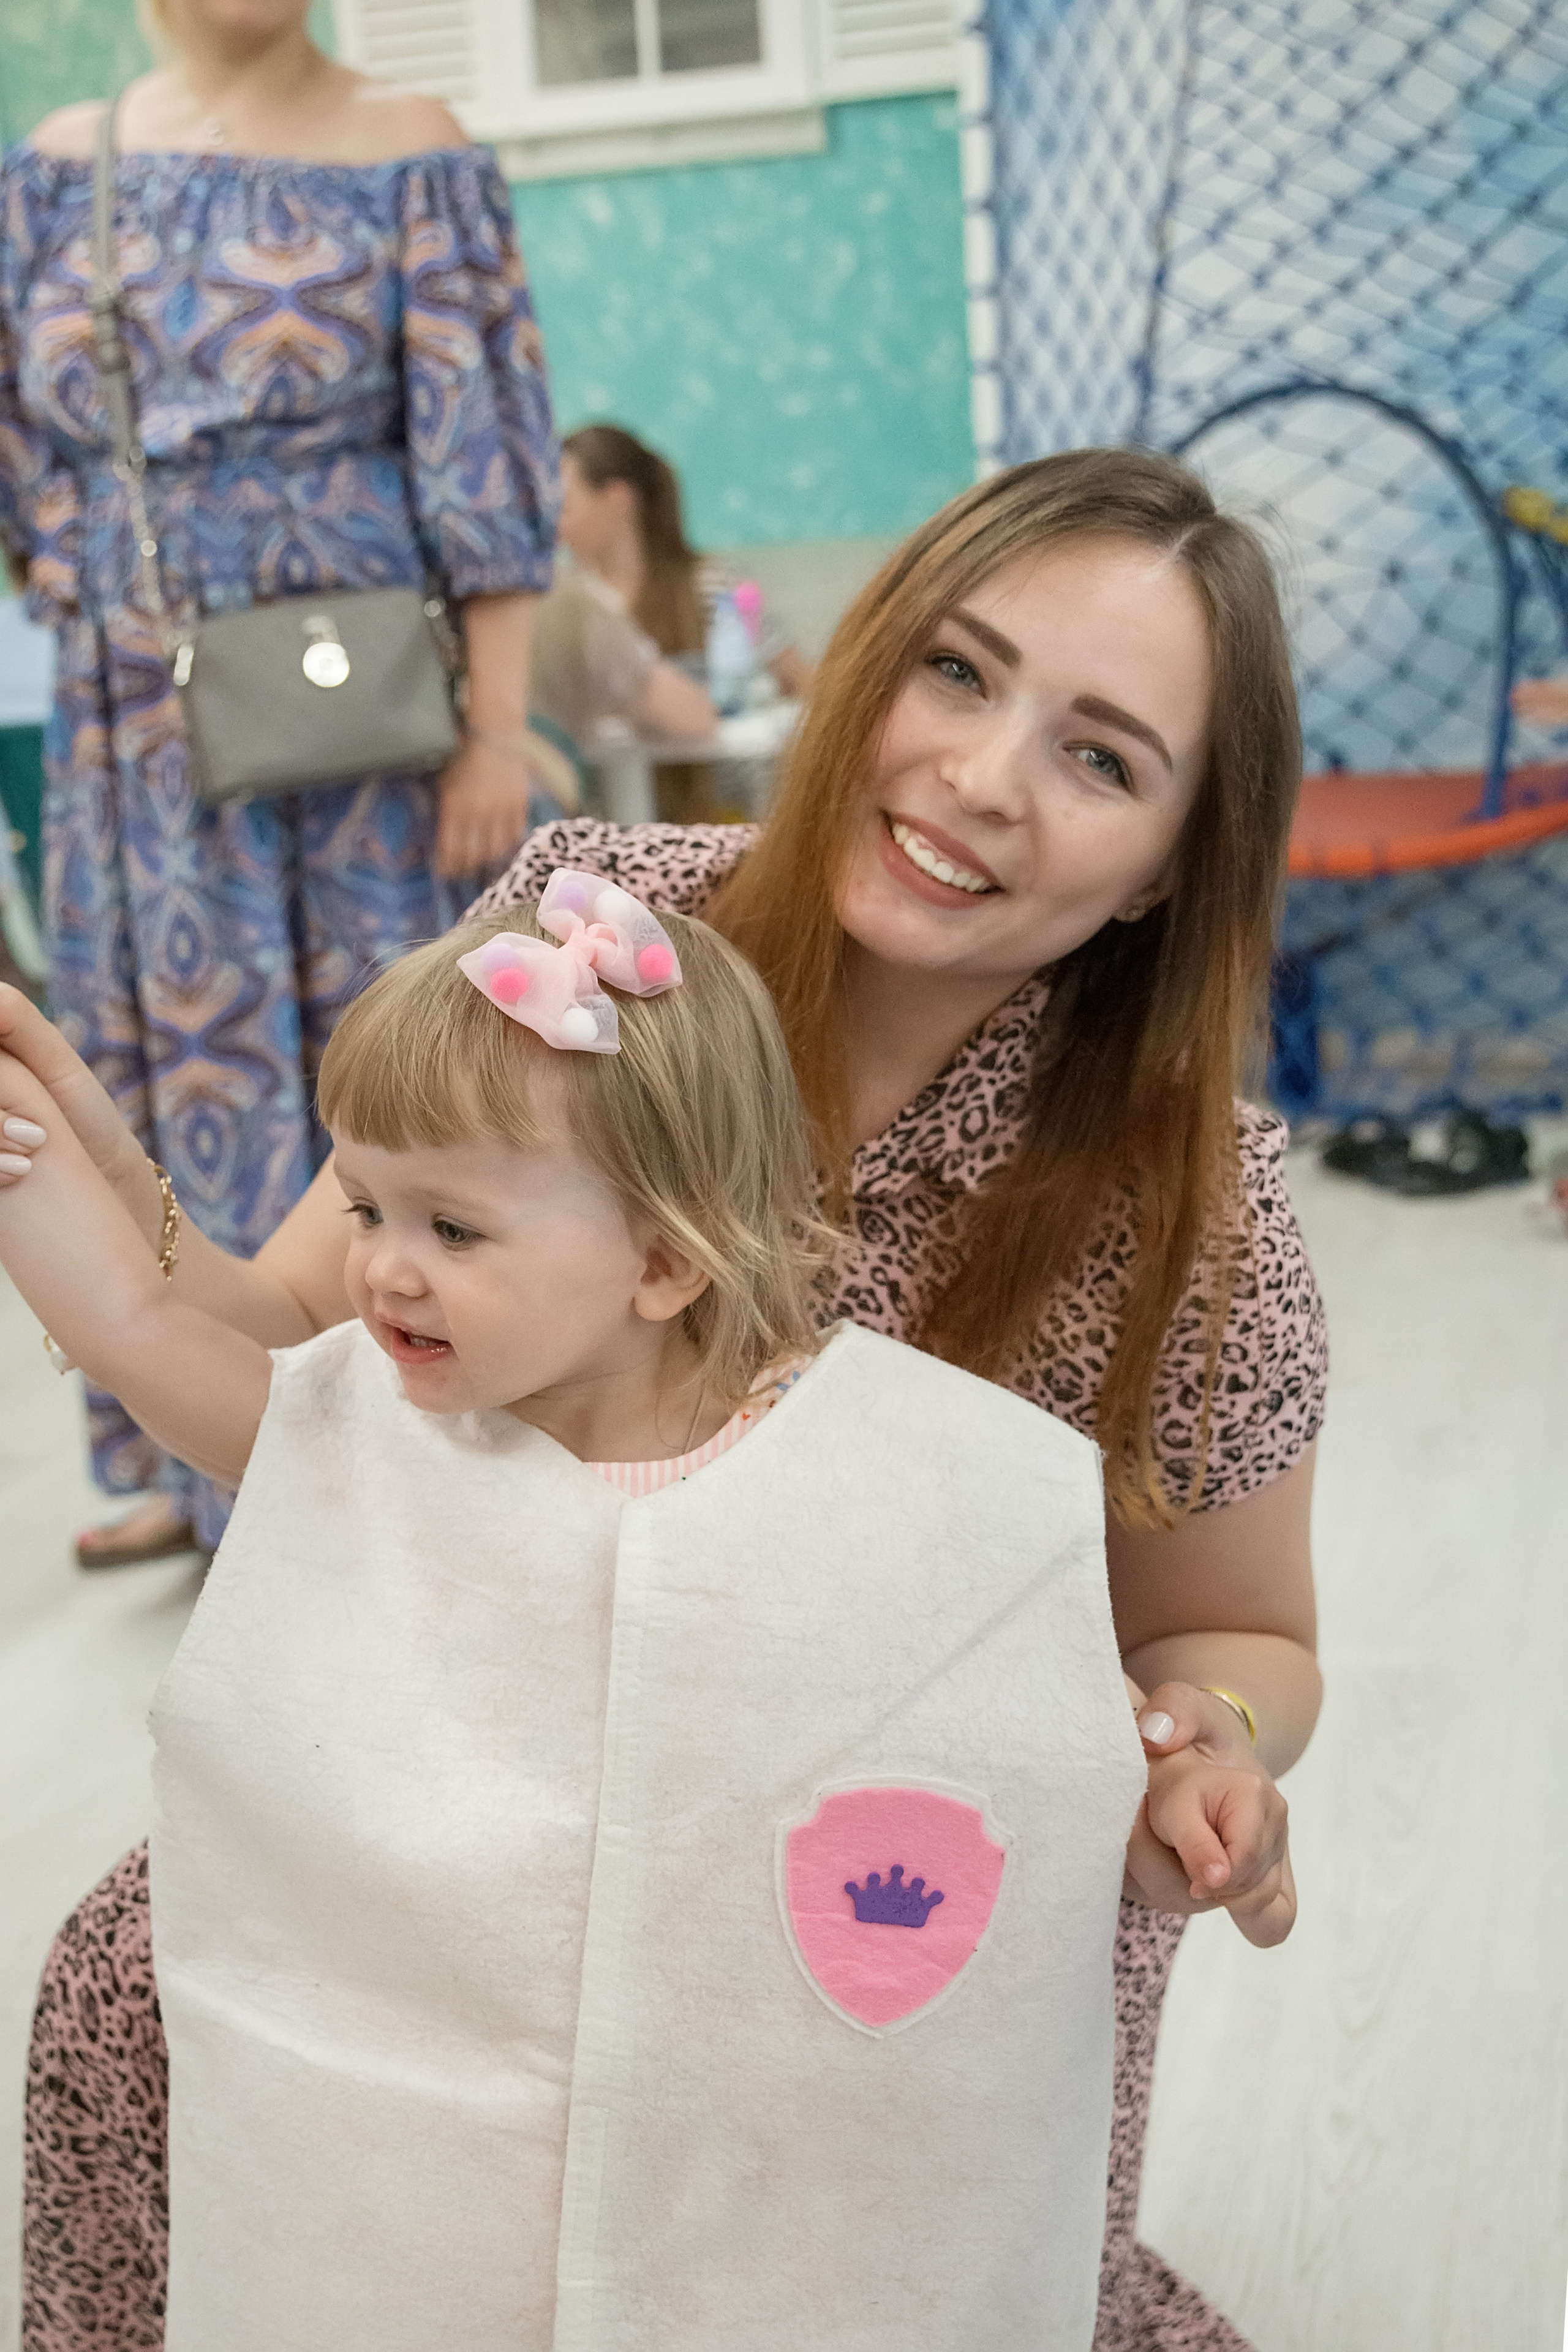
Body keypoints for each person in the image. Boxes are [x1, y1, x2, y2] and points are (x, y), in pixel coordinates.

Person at [2, 446, 1321, 2348]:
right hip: (454, 1801)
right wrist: (108, 1224)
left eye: (1100, 756)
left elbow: (1243, 1626)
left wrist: (1203, 1738)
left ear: (1179, 857)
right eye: (956, 672)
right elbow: (305, 1386)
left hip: (862, 1921)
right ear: (868, 659)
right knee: (135, 1974)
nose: (977, 775)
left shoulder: (1199, 1202)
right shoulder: (593, 918)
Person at [0, 0, 559, 1567]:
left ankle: (411, 1463)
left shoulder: (413, 151)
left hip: (361, 724)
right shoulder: (55, 170)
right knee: (163, 1068)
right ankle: (206, 1455)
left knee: (387, 1075)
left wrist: (496, 730)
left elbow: (486, 440)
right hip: (141, 731)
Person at [556, 423, 814, 821]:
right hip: (607, 823)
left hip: (722, 819)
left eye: (564, 504)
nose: (554, 523)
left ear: (618, 499)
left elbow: (801, 680)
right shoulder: (563, 605)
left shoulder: (716, 586)